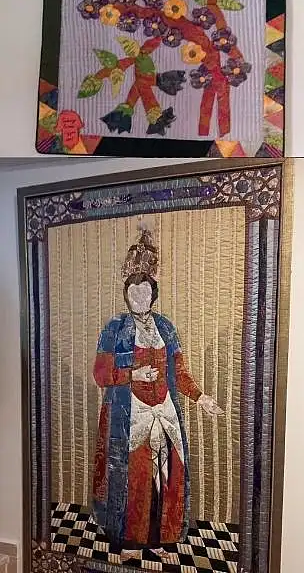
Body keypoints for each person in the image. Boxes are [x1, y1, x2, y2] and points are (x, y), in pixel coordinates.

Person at [92, 223, 223, 564]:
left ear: (154, 294)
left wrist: (201, 398)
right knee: (133, 478)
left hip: (164, 412)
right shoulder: (115, 328)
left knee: (166, 478)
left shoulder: (165, 327)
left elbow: (179, 372)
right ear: (126, 294)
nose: (139, 298)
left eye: (145, 292)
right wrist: (132, 374)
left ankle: (159, 539)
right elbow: (101, 374)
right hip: (129, 417)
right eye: (133, 293)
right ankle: (130, 542)